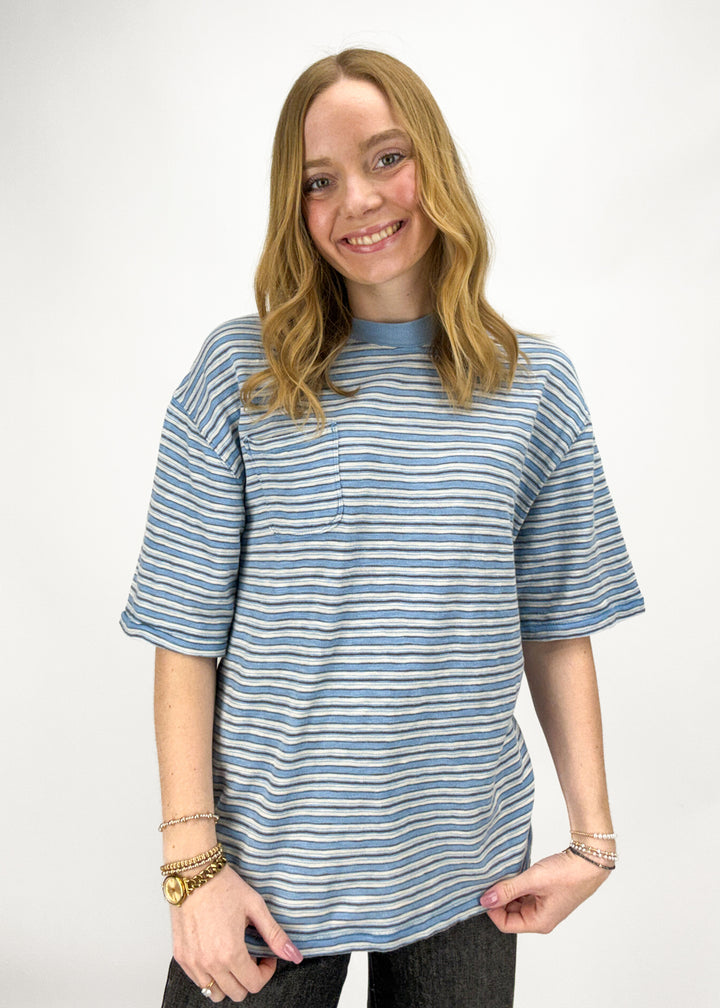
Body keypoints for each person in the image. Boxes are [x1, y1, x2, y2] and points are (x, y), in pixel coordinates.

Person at [121, 48, 644, 1007]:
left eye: (385, 158)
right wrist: (191, 869)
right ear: (296, 207)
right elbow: (182, 636)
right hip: (265, 878)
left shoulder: (534, 387)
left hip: (467, 877)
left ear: (434, 166)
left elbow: (558, 623)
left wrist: (592, 842)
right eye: (319, 181)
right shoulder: (240, 376)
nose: (356, 199)